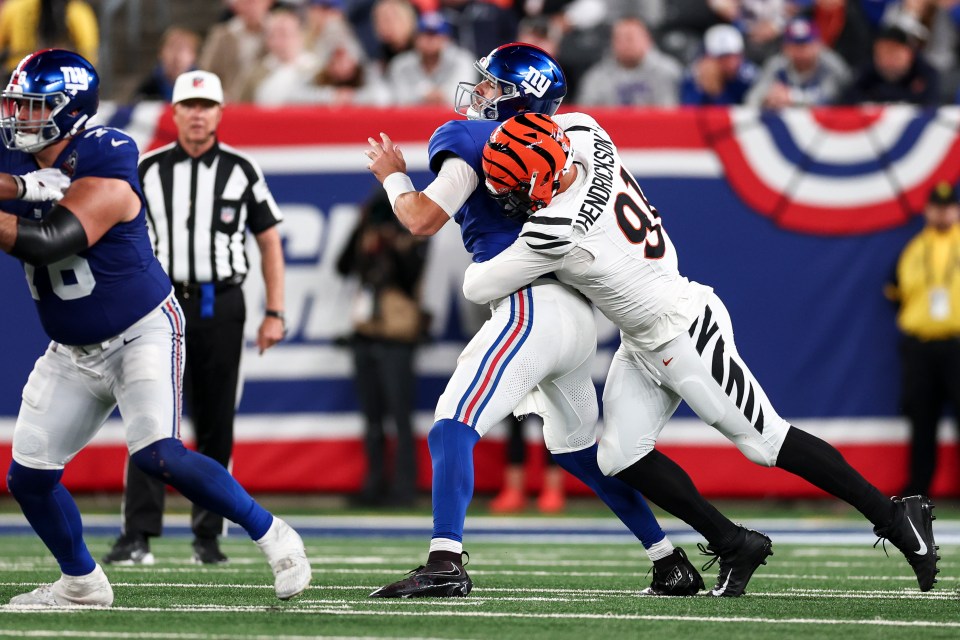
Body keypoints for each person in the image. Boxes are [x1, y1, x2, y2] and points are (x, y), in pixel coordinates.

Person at [462, 110, 942, 593]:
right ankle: (733, 542)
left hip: (683, 331)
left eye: (516, 188)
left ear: (544, 176)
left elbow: (477, 286)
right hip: (642, 335)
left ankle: (897, 518)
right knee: (620, 456)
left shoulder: (556, 229)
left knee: (765, 441)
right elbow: (555, 128)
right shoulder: (586, 132)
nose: (510, 200)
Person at [364, 42, 734, 600]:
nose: (481, 91)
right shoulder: (568, 141)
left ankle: (445, 560)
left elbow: (419, 218)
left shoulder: (466, 138)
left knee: (452, 422)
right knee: (576, 448)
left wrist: (392, 176)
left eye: (494, 85)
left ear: (521, 100)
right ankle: (668, 560)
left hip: (530, 306)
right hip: (575, 312)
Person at [0, 50, 309, 607]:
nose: (19, 117)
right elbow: (26, 187)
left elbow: (50, 241)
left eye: (34, 107)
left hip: (141, 328)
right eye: (16, 105)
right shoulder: (19, 155)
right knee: (29, 479)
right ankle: (82, 584)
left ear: (69, 111)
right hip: (71, 347)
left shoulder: (109, 152)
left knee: (157, 452)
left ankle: (275, 536)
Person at [100, 69, 287, 567]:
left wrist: (275, 311)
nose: (198, 115)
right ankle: (137, 533)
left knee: (217, 422)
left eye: (206, 107)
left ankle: (209, 535)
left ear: (220, 113)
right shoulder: (148, 168)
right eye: (189, 105)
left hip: (221, 303)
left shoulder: (243, 170)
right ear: (175, 111)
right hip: (158, 305)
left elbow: (269, 240)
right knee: (148, 418)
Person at [336, 188, 428, 508]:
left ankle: (404, 488)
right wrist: (361, 230)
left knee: (400, 417)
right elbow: (343, 266)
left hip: (398, 338)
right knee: (372, 418)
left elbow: (408, 278)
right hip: (365, 335)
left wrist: (393, 243)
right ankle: (373, 485)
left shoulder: (413, 238)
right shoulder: (367, 239)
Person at [885, 181, 960, 497]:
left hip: (957, 344)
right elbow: (892, 290)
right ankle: (918, 489)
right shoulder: (914, 248)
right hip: (920, 348)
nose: (942, 213)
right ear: (928, 209)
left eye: (948, 207)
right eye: (936, 207)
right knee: (921, 419)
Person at [574, 15, 682, 107]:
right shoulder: (596, 76)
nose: (625, 44)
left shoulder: (668, 72)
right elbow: (585, 117)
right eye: (619, 39)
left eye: (630, 38)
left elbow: (672, 113)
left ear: (647, 40)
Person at [744, 16, 850, 108]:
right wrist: (767, 98)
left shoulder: (830, 64)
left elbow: (830, 98)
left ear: (818, 45)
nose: (800, 51)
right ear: (785, 47)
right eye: (794, 46)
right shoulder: (777, 64)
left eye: (805, 45)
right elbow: (752, 98)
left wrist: (792, 97)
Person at [385, 12, 476, 107]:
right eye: (425, 34)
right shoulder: (401, 63)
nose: (430, 40)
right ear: (415, 38)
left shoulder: (462, 60)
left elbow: (463, 99)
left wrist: (425, 96)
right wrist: (426, 95)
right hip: (411, 119)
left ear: (447, 39)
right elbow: (397, 99)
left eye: (435, 35)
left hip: (450, 118)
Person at [841, 23, 940, 105]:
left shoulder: (925, 74)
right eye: (881, 54)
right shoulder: (866, 72)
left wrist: (880, 95)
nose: (887, 60)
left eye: (893, 54)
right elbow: (849, 101)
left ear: (909, 53)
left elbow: (930, 105)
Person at [198, 0, 273, 103]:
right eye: (245, 2)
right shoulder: (222, 35)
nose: (250, 7)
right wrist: (219, 93)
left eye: (255, 2)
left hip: (268, 102)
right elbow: (206, 71)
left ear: (268, 2)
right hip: (230, 103)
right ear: (236, 6)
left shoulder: (280, 32)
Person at [0, 0, 99, 73]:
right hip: (61, 74)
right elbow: (89, 55)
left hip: (18, 72)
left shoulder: (13, 6)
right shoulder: (77, 10)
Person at [680, 23, 758, 105]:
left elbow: (751, 111)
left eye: (735, 56)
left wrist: (718, 93)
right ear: (708, 58)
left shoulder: (748, 77)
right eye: (723, 57)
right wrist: (706, 89)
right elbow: (689, 111)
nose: (731, 62)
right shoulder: (693, 76)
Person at [130, 26, 201, 103]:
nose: (176, 56)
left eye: (182, 49)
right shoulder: (148, 88)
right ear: (160, 53)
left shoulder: (203, 87)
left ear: (194, 56)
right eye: (172, 48)